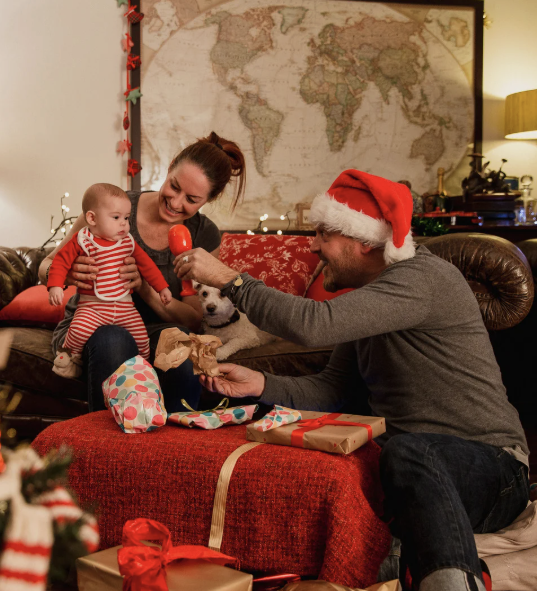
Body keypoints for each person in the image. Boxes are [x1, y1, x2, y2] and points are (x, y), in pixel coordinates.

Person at [174, 169, 530, 591]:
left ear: (362, 241)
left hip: (493, 468)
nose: (312, 245)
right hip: (411, 475)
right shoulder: (371, 300)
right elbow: (333, 390)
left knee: (407, 451)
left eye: (323, 233)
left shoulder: (423, 279)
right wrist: (260, 385)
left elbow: (312, 324)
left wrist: (231, 280)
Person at [38, 132, 245, 413]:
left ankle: (175, 446)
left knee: (181, 345)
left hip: (151, 332)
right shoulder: (114, 208)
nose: (175, 202)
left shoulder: (203, 235)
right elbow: (45, 267)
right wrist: (69, 274)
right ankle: (107, 449)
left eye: (192, 199)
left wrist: (146, 289)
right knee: (114, 339)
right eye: (174, 186)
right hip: (91, 326)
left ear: (208, 200)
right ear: (169, 166)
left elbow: (195, 319)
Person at [47, 183, 172, 378]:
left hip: (126, 309)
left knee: (141, 338)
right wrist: (55, 285)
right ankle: (70, 358)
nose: (123, 223)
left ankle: (146, 369)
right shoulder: (82, 240)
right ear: (92, 218)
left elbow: (147, 266)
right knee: (78, 330)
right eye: (116, 217)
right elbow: (59, 262)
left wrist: (162, 287)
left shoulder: (128, 243)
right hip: (92, 309)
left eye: (126, 218)